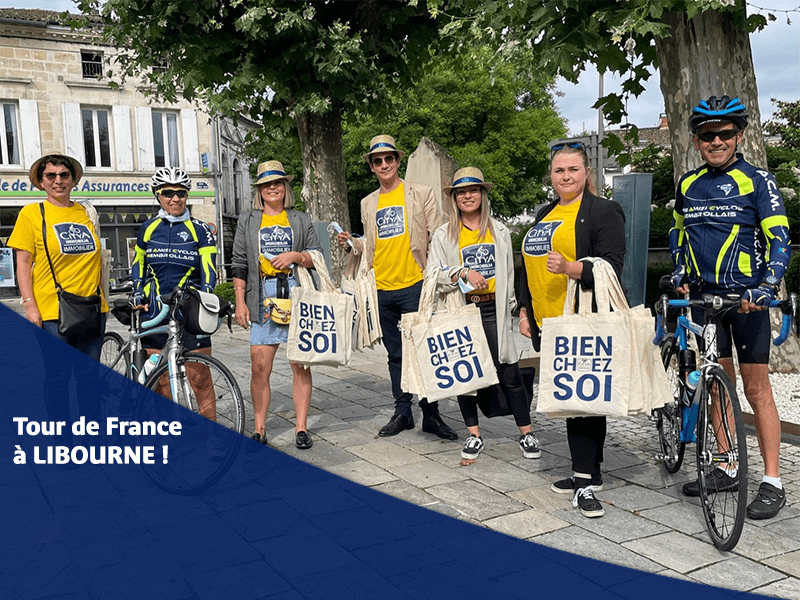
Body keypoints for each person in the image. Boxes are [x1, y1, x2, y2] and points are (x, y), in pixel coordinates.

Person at [670, 95, 792, 520]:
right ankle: (726, 464)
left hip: (747, 302)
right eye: (707, 135)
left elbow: (779, 239)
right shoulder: (688, 184)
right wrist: (681, 271)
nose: (716, 141)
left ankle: (773, 481)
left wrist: (768, 285)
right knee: (718, 385)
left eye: (724, 133)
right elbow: (679, 238)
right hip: (706, 301)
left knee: (757, 390)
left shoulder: (759, 181)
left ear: (738, 135)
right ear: (697, 140)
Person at [518, 142, 626, 518]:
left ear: (587, 173)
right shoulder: (545, 213)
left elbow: (613, 267)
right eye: (559, 171)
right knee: (580, 400)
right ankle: (590, 471)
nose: (566, 177)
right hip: (547, 320)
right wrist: (524, 309)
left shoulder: (603, 211)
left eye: (573, 170)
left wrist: (570, 269)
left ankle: (583, 480)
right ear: (551, 176)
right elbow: (526, 267)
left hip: (583, 321)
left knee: (579, 400)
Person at [336, 135, 458, 440]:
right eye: (378, 161)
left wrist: (441, 274)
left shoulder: (420, 193)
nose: (384, 164)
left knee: (424, 352)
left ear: (397, 161)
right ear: (372, 167)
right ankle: (403, 412)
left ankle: (431, 415)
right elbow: (371, 245)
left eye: (389, 158)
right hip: (383, 288)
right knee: (395, 356)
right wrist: (353, 243)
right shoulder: (368, 203)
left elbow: (438, 233)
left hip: (415, 285)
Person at [429, 167, 540, 460]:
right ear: (453, 198)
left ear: (483, 194)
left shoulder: (499, 230)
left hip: (494, 310)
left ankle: (526, 433)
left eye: (473, 190)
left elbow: (510, 269)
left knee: (510, 372)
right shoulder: (443, 234)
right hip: (463, 310)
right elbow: (433, 273)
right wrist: (462, 271)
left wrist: (515, 307)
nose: (468, 196)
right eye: (461, 192)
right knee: (467, 375)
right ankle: (474, 435)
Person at [8, 153, 109, 432]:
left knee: (89, 377)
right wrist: (30, 305)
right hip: (53, 312)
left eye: (64, 175)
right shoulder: (32, 213)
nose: (58, 180)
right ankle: (62, 440)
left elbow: (99, 259)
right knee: (58, 378)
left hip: (92, 307)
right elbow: (23, 263)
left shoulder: (86, 212)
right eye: (50, 175)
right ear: (41, 181)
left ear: (73, 179)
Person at [231, 160, 321, 450]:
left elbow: (316, 256)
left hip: (295, 294)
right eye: (266, 184)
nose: (272, 188)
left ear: (285, 187)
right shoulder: (248, 220)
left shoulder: (299, 219)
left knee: (300, 366)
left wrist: (295, 256)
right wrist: (240, 301)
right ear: (259, 190)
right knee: (260, 366)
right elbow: (240, 263)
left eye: (278, 183)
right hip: (262, 296)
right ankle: (259, 428)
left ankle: (301, 428)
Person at [130, 167, 219, 438]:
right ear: (158, 196)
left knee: (200, 377)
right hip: (156, 313)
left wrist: (206, 299)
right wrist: (138, 294)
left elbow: (209, 272)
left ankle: (214, 438)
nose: (175, 198)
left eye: (180, 193)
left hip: (190, 312)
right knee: (163, 381)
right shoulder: (148, 229)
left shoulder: (200, 230)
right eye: (167, 193)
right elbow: (138, 267)